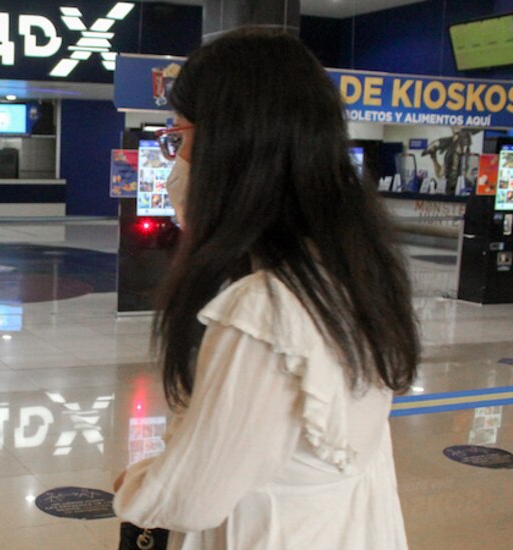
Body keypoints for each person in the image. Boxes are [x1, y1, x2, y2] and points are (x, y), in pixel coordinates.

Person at [113, 28, 419, 549]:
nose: (174, 161)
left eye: (179, 139)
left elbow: (191, 499)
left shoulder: (264, 311)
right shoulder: (354, 274)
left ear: (234, 149)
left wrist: (135, 488)